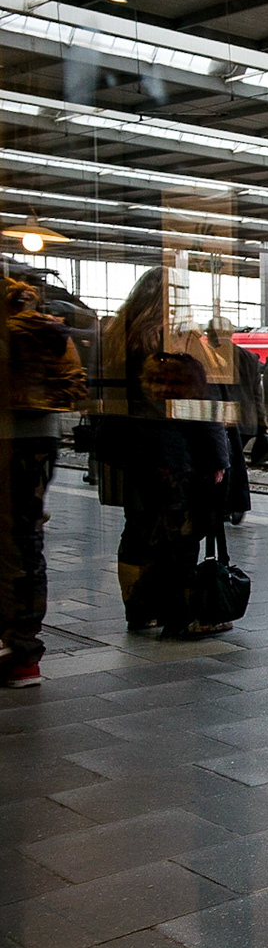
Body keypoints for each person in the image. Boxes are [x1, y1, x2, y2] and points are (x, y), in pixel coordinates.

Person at [0, 280, 86, 687]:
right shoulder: (52, 330)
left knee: (9, 543)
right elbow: (75, 385)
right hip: (42, 437)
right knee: (28, 540)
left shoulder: (7, 332)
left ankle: (15, 648)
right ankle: (25, 651)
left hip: (6, 437)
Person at [125, 353, 231, 639]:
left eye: (174, 382)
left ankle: (144, 609)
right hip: (175, 486)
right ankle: (177, 617)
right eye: (158, 381)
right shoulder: (174, 407)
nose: (165, 388)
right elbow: (212, 433)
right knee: (177, 550)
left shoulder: (149, 408)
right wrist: (217, 463)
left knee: (161, 550)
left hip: (173, 483)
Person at [204, 317, 262, 524]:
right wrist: (262, 423)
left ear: (211, 334)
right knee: (236, 463)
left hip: (225, 419)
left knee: (225, 464)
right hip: (247, 421)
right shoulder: (249, 357)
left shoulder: (210, 357)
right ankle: (237, 505)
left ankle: (229, 506)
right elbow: (257, 394)